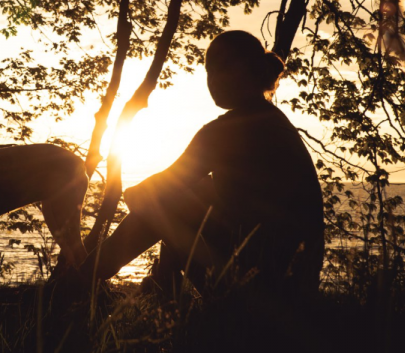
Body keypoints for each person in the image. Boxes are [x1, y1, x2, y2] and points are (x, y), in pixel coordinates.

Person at [81, 30, 324, 297]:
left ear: (246, 71)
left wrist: (134, 197)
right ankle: (158, 291)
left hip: (262, 287)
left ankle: (76, 284)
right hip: (295, 284)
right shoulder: (273, 121)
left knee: (166, 203)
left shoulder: (227, 131)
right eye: (209, 71)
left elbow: (153, 193)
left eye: (222, 69)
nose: (212, 81)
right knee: (192, 194)